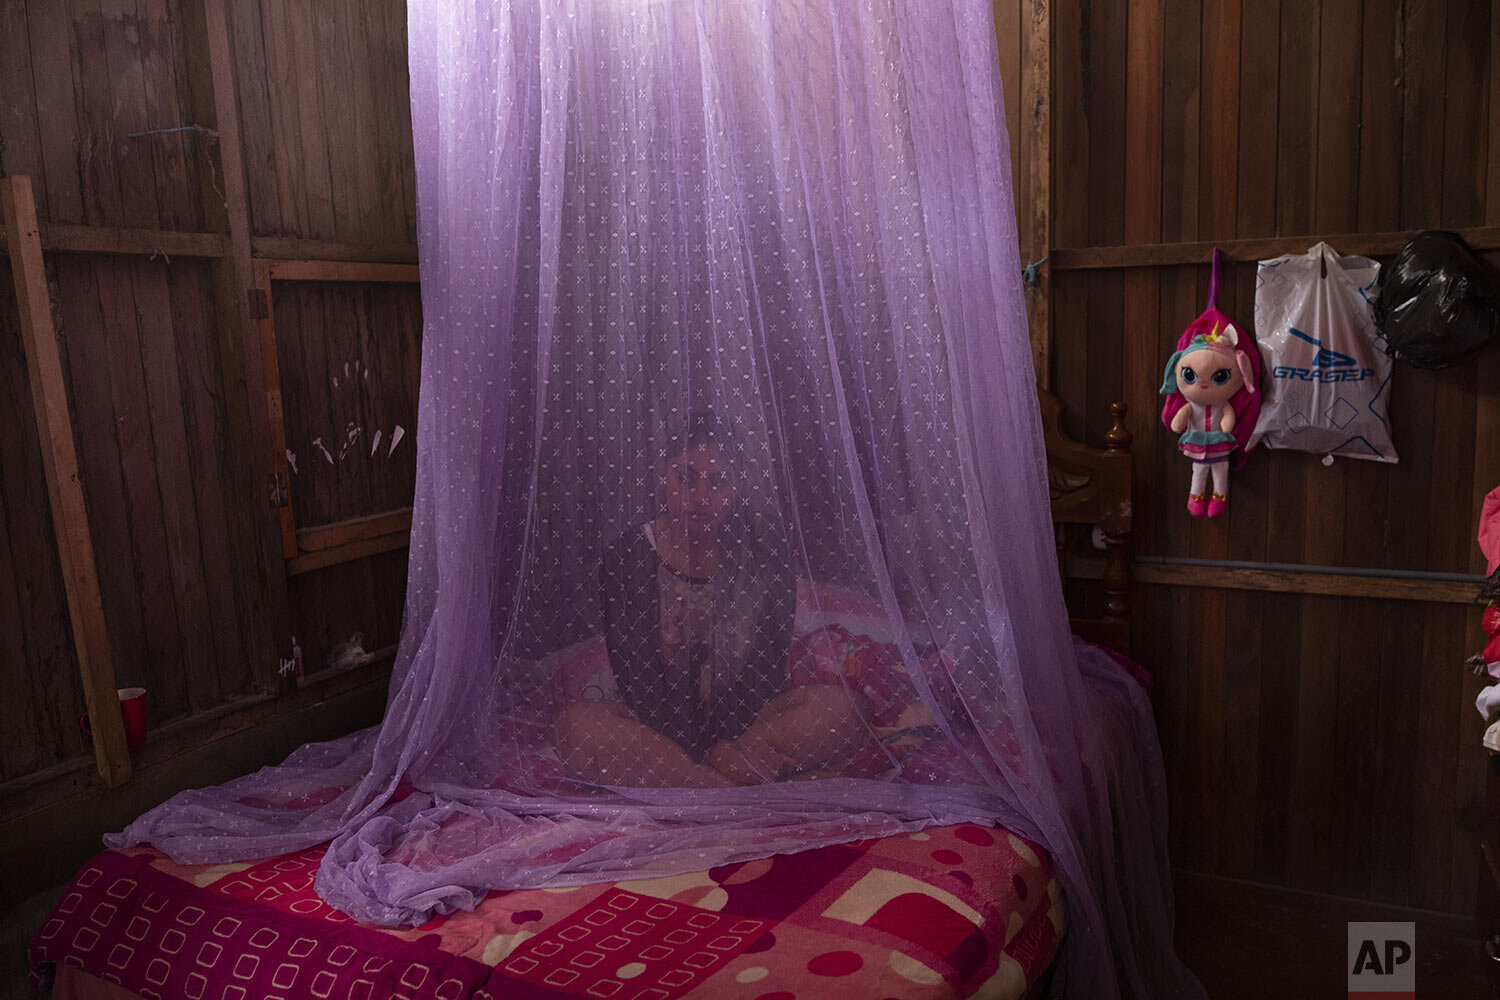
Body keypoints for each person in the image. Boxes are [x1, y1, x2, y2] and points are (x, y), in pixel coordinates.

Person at [554, 412, 871, 786]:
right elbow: (639, 677)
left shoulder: (764, 548)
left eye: (717, 482)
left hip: (752, 726)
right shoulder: (628, 556)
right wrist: (702, 754)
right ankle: (710, 779)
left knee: (847, 711)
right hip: (654, 731)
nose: (700, 498)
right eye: (685, 478)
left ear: (737, 484)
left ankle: (704, 774)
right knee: (573, 726)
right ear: (662, 475)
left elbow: (766, 665)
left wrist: (736, 743)